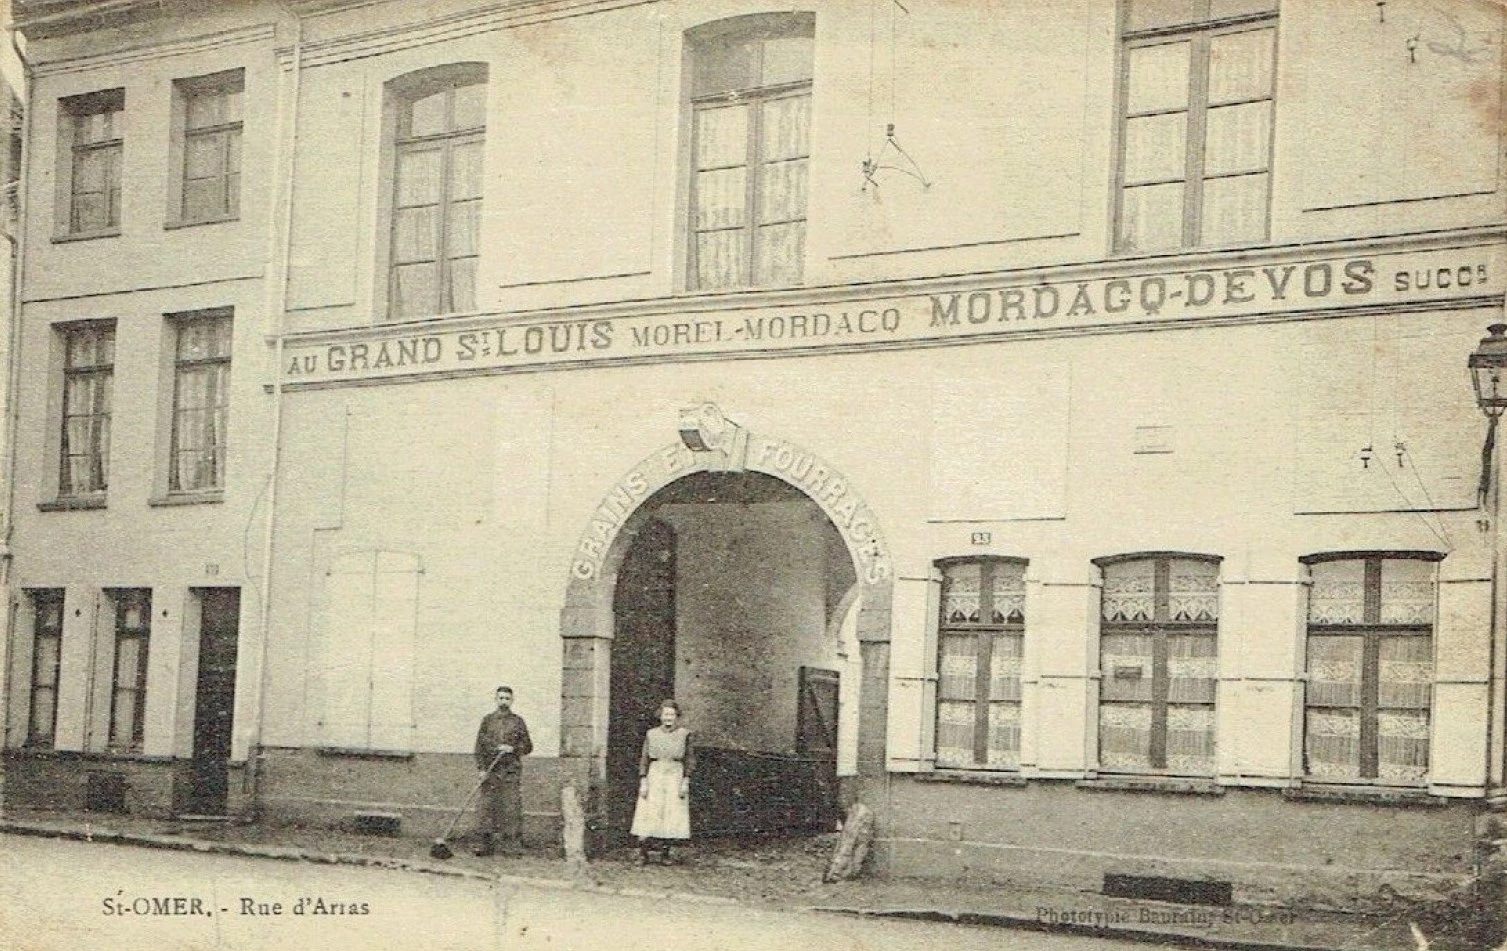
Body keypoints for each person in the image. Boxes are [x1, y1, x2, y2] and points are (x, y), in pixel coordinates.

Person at [630, 698, 695, 866]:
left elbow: (689, 759)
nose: (668, 718)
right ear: (660, 715)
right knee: (650, 811)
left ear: (677, 716)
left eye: (672, 714)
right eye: (665, 714)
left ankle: (665, 853)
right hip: (656, 773)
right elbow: (645, 758)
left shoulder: (684, 734)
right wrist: (643, 780)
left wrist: (685, 781)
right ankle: (643, 853)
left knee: (671, 813)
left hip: (675, 773)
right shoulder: (652, 734)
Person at [472, 685, 533, 856]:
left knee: (510, 808)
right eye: (501, 698)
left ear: (512, 700)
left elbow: (528, 746)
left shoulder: (518, 722)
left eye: (507, 698)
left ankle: (511, 846)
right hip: (491, 770)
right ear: (495, 699)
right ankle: (484, 845)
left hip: (510, 771)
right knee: (487, 807)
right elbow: (479, 747)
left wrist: (512, 748)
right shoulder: (487, 720)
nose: (504, 701)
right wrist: (482, 769)